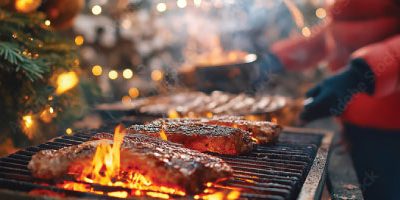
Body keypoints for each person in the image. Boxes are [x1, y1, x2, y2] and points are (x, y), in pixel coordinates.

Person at [261, 0, 400, 199]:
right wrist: (277, 58)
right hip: (351, 122)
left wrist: (360, 73)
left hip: (391, 129)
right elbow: (330, 35)